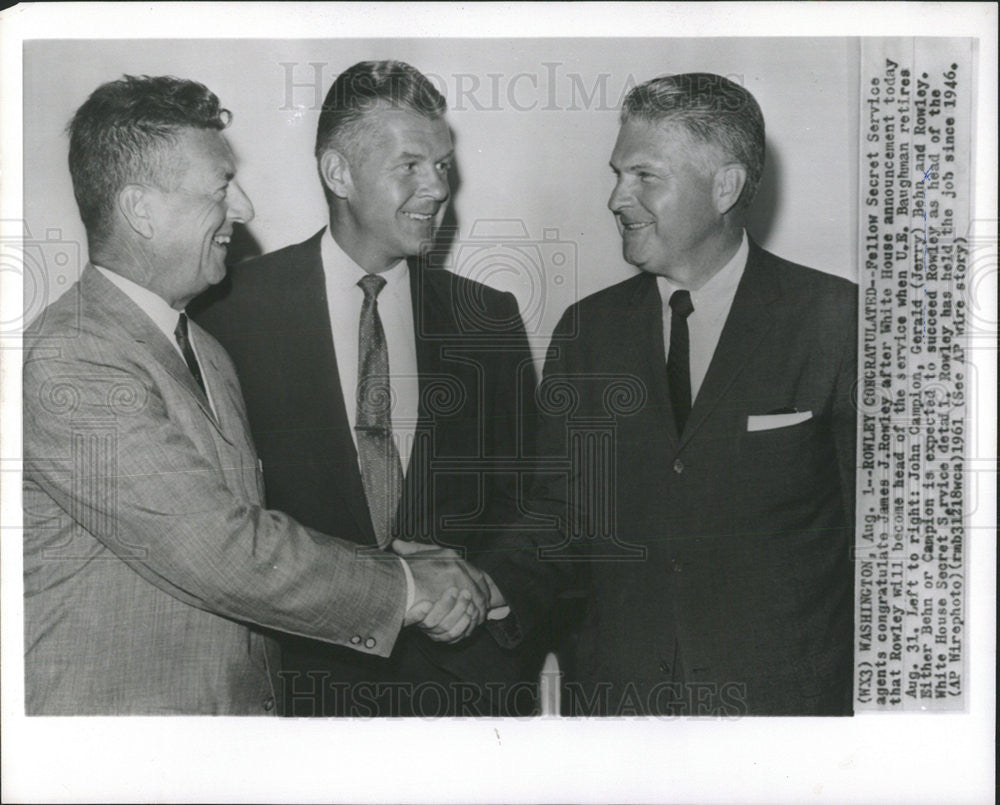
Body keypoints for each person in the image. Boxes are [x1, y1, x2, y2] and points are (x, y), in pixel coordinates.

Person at [22, 74, 489, 716]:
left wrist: (380, 561)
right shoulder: (72, 358)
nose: (241, 210)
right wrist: (404, 585)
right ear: (140, 210)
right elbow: (216, 548)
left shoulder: (204, 350)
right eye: (221, 188)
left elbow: (244, 531)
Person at [478, 72, 858, 716]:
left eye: (644, 176)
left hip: (783, 728)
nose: (616, 198)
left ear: (726, 186)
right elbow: (562, 517)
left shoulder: (838, 321)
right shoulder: (585, 330)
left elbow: (887, 550)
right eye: (617, 173)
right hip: (618, 719)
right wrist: (487, 582)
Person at [193, 61, 542, 717]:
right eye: (410, 165)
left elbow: (535, 507)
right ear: (338, 172)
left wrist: (484, 588)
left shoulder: (488, 318)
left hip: (465, 707)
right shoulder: (230, 314)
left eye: (443, 165)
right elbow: (221, 532)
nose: (436, 187)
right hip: (300, 708)